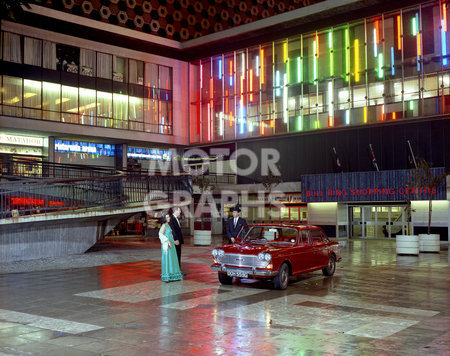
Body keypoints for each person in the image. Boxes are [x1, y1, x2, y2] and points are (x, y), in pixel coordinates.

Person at [158, 213, 183, 282]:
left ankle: (173, 275)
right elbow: (160, 234)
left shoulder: (168, 225)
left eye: (169, 217)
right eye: (167, 217)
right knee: (168, 259)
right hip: (167, 245)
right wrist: (168, 241)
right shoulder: (164, 226)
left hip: (171, 244)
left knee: (172, 259)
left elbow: (170, 234)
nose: (169, 218)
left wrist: (173, 241)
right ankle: (167, 276)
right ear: (164, 219)